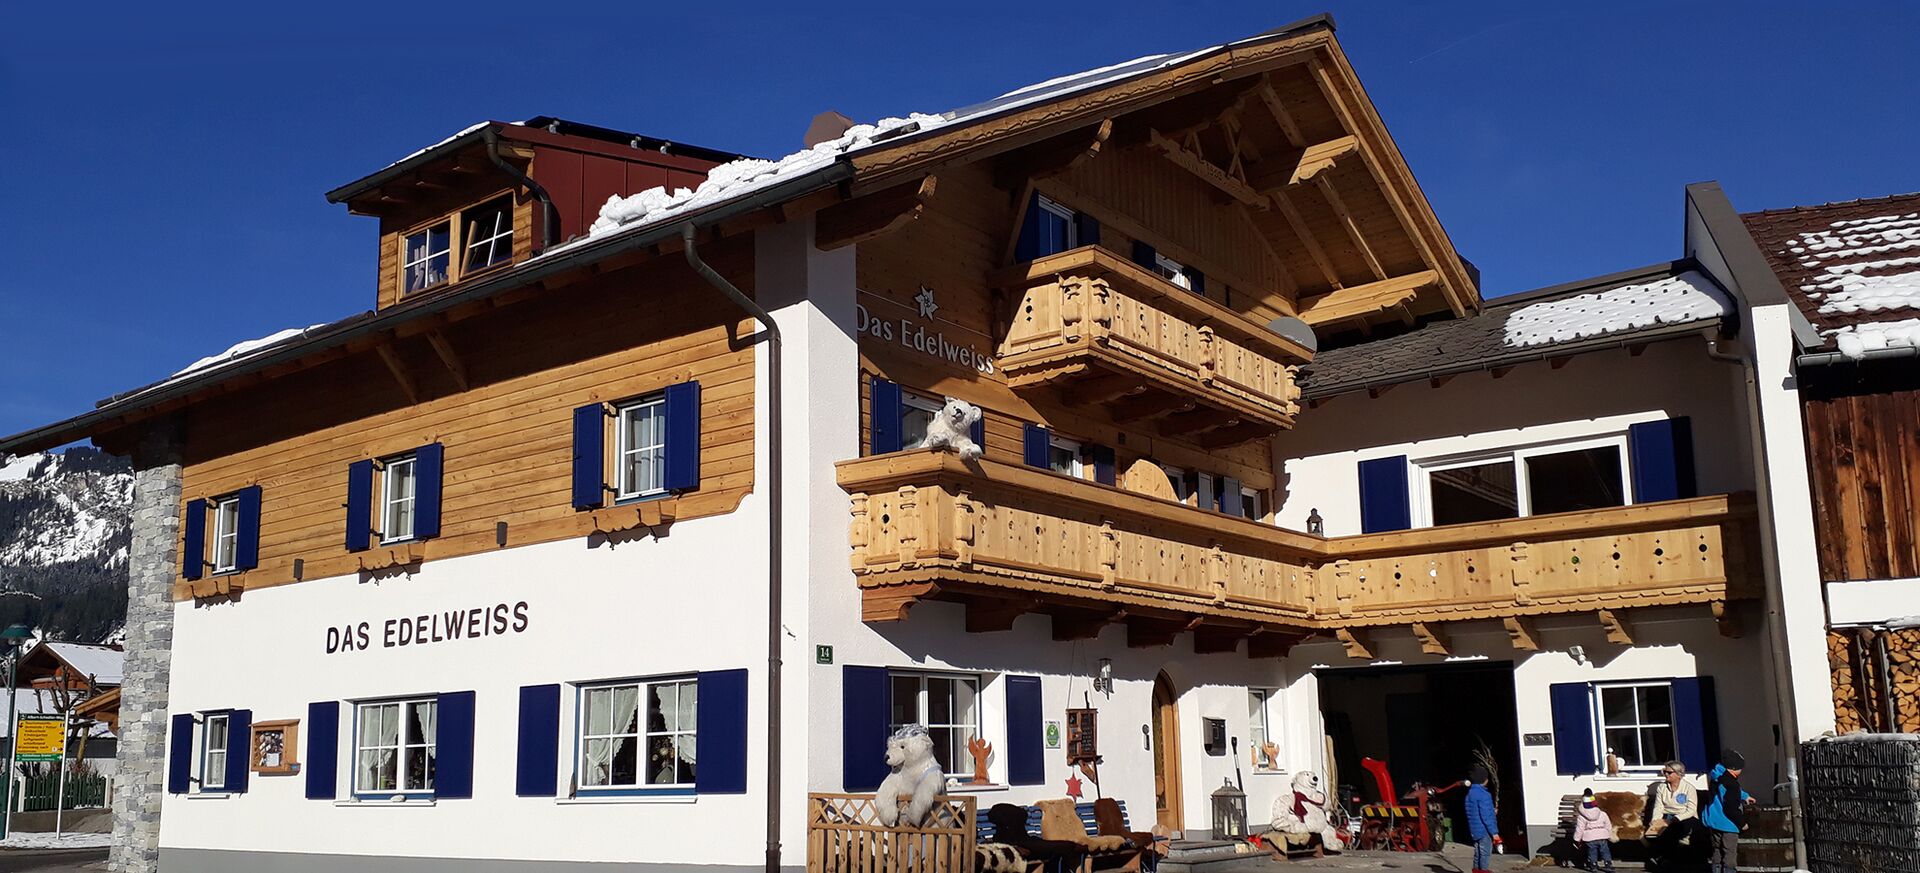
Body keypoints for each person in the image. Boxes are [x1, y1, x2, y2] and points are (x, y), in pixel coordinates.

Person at [1700, 749, 1753, 873]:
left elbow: (1723, 793)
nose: (1741, 771)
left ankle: (1716, 870)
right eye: (1740, 768)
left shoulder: (1716, 776)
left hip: (1713, 820)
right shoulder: (1731, 784)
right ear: (1734, 768)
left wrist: (1745, 796)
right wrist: (1742, 823)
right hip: (1728, 824)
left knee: (1717, 850)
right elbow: (1730, 807)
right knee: (1729, 853)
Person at [1575, 788, 1617, 873]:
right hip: (1602, 836)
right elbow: (1608, 825)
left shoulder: (1582, 817)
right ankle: (1608, 864)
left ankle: (1593, 865)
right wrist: (1608, 834)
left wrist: (1576, 839)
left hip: (1590, 838)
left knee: (1592, 852)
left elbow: (1580, 828)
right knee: (1605, 851)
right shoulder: (1602, 814)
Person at [1465, 763, 1498, 873]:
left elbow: (1474, 811)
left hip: (1474, 829)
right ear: (1483, 779)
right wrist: (1494, 832)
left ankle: (1476, 870)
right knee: (1485, 852)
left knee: (1478, 852)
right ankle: (1483, 871)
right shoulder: (1484, 795)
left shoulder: (1470, 794)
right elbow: (1486, 816)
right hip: (1484, 830)